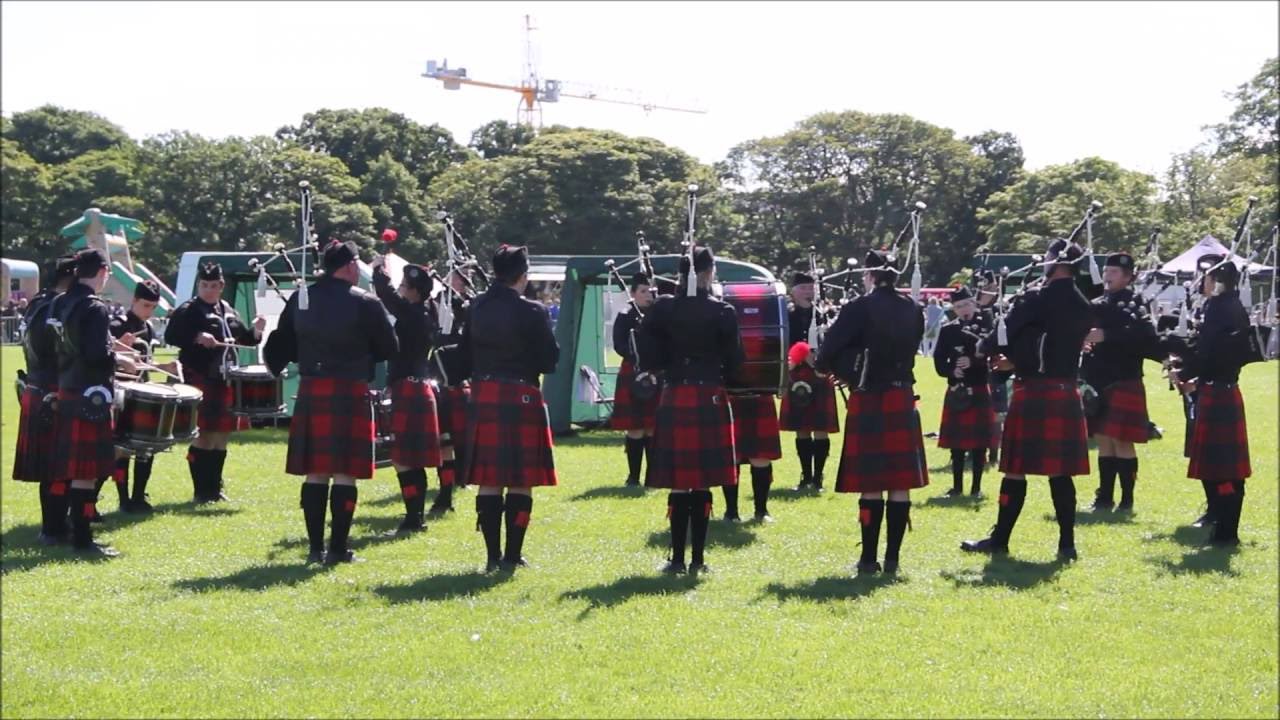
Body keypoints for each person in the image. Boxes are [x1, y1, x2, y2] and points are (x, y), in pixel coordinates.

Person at [266, 240, 398, 564]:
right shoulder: (365, 302)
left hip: (313, 389)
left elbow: (282, 343)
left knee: (316, 472)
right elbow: (388, 348)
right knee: (344, 473)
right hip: (350, 390)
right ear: (351, 265)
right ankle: (337, 549)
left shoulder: (301, 298)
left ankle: (315, 549)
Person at [962, 239, 1093, 561]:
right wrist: (1019, 358)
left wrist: (985, 349)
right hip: (1065, 388)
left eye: (1047, 258)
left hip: (1034, 390)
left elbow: (1005, 333)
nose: (1044, 262)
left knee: (1015, 470)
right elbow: (1049, 343)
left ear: (1057, 262)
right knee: (1061, 472)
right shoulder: (1082, 302)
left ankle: (1000, 540)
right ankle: (1067, 544)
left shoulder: (1037, 298)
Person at [817, 249, 927, 575]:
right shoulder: (914, 308)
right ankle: (892, 559)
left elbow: (825, 356)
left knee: (872, 482)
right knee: (899, 482)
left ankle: (868, 559)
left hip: (869, 398)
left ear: (870, 274)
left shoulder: (858, 308)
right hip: (902, 395)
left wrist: (844, 370)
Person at [640, 246, 744, 574]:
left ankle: (676, 560)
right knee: (701, 483)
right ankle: (697, 560)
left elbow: (648, 357)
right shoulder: (723, 311)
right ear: (708, 273)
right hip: (710, 394)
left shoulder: (662, 310)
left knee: (679, 483)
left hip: (676, 395)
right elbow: (736, 364)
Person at [461, 245, 560, 572]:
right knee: (521, 479)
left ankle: (492, 558)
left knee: (489, 479)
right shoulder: (533, 311)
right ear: (522, 275)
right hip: (521, 395)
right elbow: (549, 360)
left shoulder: (477, 306)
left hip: (486, 392)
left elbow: (464, 354)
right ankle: (512, 555)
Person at [49, 249, 139, 556]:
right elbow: (97, 355)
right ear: (101, 271)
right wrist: (122, 361)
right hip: (91, 395)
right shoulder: (95, 308)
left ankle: (73, 534)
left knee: (74, 470)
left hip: (67, 388)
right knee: (86, 473)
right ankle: (83, 541)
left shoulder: (61, 302)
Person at [1169, 254, 1253, 546]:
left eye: (1204, 277)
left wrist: (1181, 358)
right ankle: (1221, 523)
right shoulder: (1229, 306)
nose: (1199, 282)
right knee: (1221, 466)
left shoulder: (1220, 309)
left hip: (1218, 391)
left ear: (1216, 281)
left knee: (1224, 468)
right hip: (1219, 388)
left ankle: (1227, 532)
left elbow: (1207, 353)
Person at [164, 262, 265, 502]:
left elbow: (244, 340)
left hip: (225, 378)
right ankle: (201, 491)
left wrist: (257, 331)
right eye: (204, 285)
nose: (208, 290)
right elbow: (171, 336)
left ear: (221, 286)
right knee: (204, 435)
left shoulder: (227, 310)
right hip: (200, 376)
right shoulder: (189, 310)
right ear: (199, 285)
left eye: (213, 285)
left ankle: (214, 489)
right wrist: (197, 336)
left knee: (221, 436)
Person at [1081, 253, 1161, 513]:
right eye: (1107, 270)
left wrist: (1106, 335)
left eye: (1114, 272)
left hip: (1123, 378)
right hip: (1097, 379)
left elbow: (1145, 338)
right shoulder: (1096, 303)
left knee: (1122, 440)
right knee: (1104, 439)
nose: (1108, 275)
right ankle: (1104, 496)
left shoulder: (1136, 305)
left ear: (1128, 277)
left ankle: (1127, 500)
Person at [371, 257, 443, 535]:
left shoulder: (413, 314)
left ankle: (414, 518)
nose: (401, 289)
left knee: (403, 459)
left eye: (404, 285)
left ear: (414, 290)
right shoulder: (425, 312)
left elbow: (387, 297)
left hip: (409, 389)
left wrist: (379, 271)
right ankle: (415, 517)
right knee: (410, 459)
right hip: (417, 388)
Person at [12, 255, 77, 544]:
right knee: (59, 466)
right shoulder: (59, 306)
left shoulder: (36, 303)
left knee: (52, 466)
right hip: (54, 389)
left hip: (37, 386)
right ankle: (54, 528)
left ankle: (55, 525)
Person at [106, 280, 174, 513]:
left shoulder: (149, 328)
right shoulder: (116, 324)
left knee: (147, 445)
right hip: (122, 392)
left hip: (144, 391)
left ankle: (139, 496)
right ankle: (124, 498)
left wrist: (166, 366)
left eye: (153, 307)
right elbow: (106, 357)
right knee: (122, 448)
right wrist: (117, 348)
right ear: (134, 301)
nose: (149, 311)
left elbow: (145, 363)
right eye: (146, 305)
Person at [932, 286, 995, 497]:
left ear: (974, 303)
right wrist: (952, 370)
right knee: (956, 444)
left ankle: (976, 488)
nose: (963, 309)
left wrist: (974, 361)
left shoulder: (987, 326)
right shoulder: (948, 330)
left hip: (978, 386)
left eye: (966, 304)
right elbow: (939, 360)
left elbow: (993, 353)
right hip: (957, 389)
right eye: (958, 307)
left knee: (979, 444)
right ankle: (957, 487)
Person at [784, 271, 837, 490]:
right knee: (802, 428)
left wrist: (822, 362)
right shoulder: (787, 315)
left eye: (810, 288)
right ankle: (805, 476)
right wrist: (799, 355)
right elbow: (782, 342)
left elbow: (834, 342)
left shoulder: (823, 314)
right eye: (803, 288)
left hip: (820, 375)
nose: (808, 292)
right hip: (797, 373)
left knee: (820, 427)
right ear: (793, 292)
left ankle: (818, 477)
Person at [429, 266, 475, 514]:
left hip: (463, 371)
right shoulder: (436, 303)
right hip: (441, 369)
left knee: (464, 434)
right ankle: (449, 480)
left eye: (462, 277)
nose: (459, 281)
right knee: (444, 435)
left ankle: (463, 476)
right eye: (456, 276)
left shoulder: (469, 305)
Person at [610, 272, 659, 486]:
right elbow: (619, 344)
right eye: (643, 291)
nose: (648, 295)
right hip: (633, 371)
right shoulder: (625, 315)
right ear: (633, 293)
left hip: (656, 373)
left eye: (651, 290)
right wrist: (637, 355)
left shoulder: (659, 316)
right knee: (635, 427)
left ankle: (653, 475)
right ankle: (633, 476)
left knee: (652, 426)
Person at [975, 270, 1011, 468]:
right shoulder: (976, 309)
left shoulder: (1002, 309)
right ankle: (975, 450)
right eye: (981, 287)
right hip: (977, 367)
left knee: (996, 412)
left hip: (997, 366)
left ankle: (994, 453)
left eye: (987, 287)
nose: (983, 291)